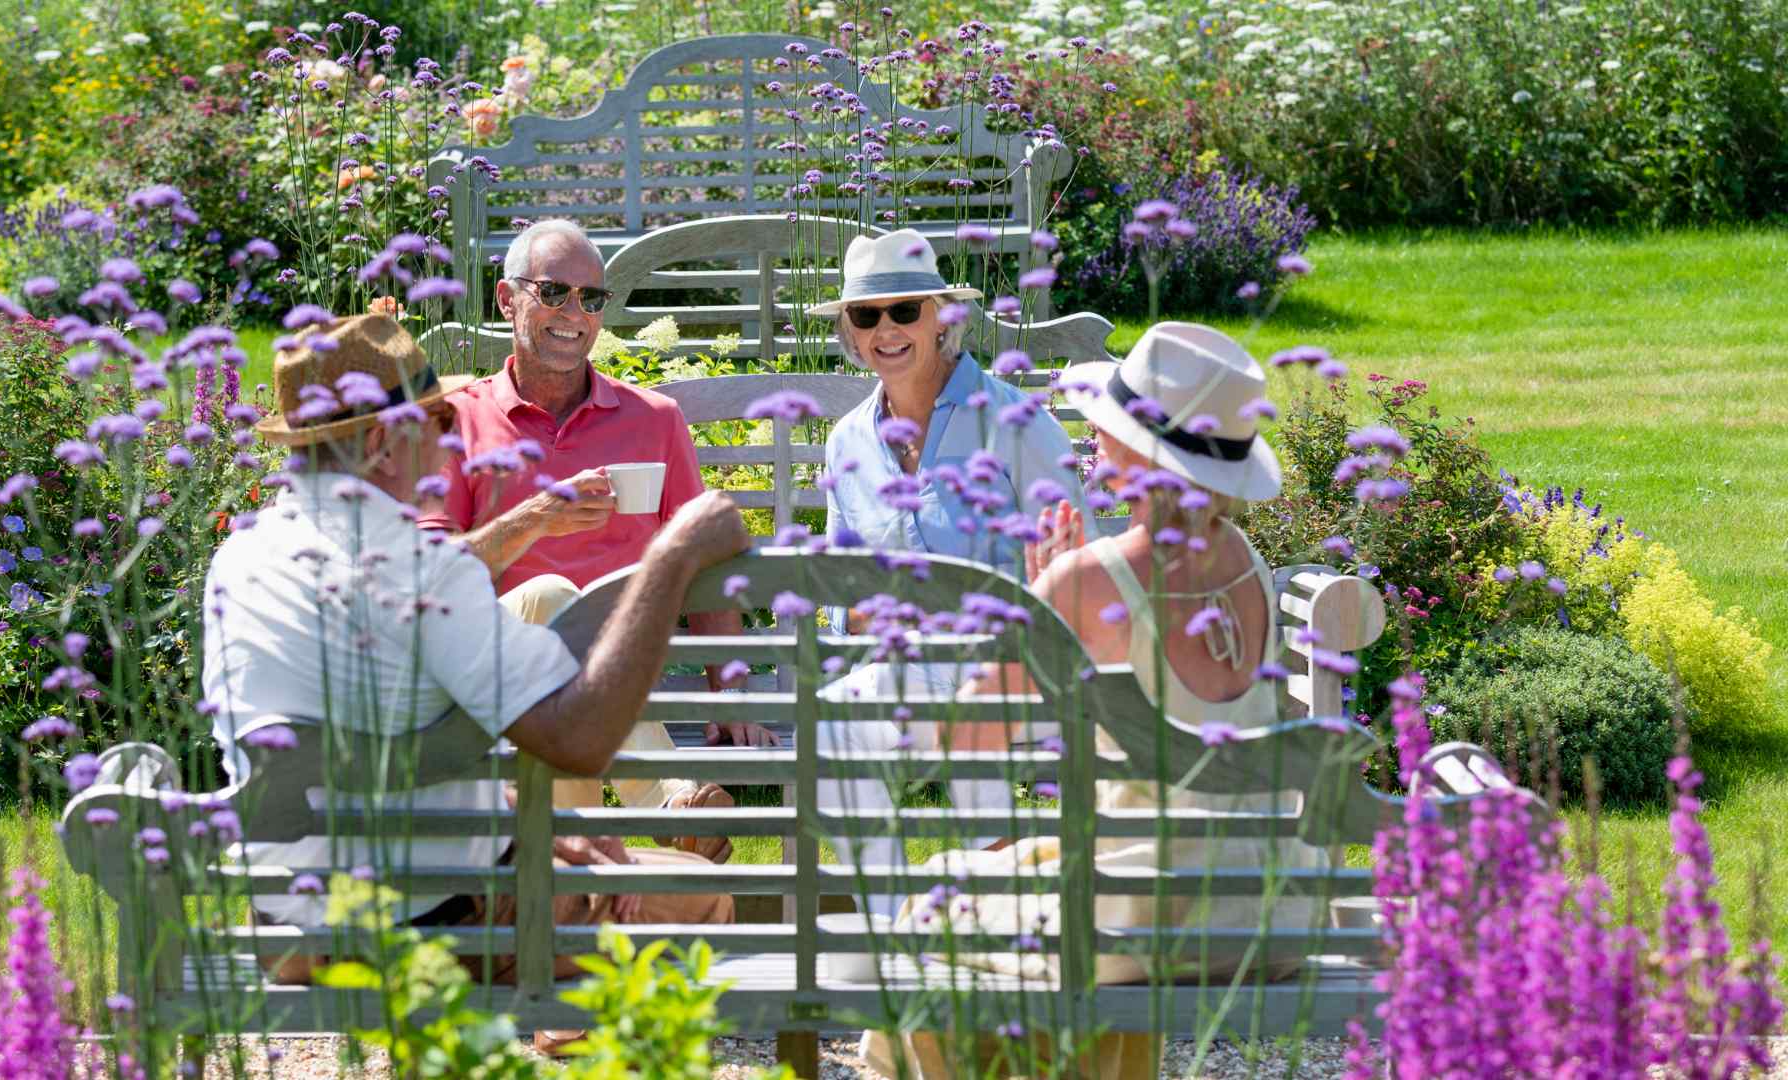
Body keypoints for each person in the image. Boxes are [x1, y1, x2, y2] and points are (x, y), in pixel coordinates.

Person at [201, 315, 746, 1047]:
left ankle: (559, 1028)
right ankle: (574, 1036)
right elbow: (577, 740)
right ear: (374, 441)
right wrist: (670, 562)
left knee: (566, 856)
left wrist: (526, 819)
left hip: (289, 929)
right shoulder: (415, 567)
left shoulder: (240, 562)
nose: (447, 439)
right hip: (436, 926)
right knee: (698, 893)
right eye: (436, 419)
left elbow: (368, 755)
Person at [858, 322, 1327, 1080]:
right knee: (1033, 878)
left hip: (1155, 918)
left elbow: (968, 739)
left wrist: (1040, 597)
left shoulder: (1092, 578)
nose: (1089, 443)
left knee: (933, 909)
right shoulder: (1250, 563)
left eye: (1103, 429)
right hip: (1269, 909)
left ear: (1145, 453)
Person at [416, 219, 774, 862]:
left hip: (616, 666)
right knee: (558, 598)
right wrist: (533, 520)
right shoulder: (461, 419)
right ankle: (672, 805)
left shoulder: (653, 421)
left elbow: (706, 556)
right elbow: (431, 572)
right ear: (507, 299)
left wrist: (731, 680)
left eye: (592, 298)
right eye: (554, 292)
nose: (574, 313)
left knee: (586, 631)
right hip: (490, 664)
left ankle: (582, 873)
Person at [804, 228, 1090, 913]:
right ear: (849, 328)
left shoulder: (1015, 422)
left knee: (973, 713)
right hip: (907, 671)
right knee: (831, 728)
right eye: (867, 315)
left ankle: (990, 901)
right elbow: (840, 584)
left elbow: (1075, 565)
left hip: (1016, 668)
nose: (887, 329)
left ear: (942, 318)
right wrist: (859, 608)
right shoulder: (847, 439)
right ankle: (897, 930)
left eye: (905, 311)